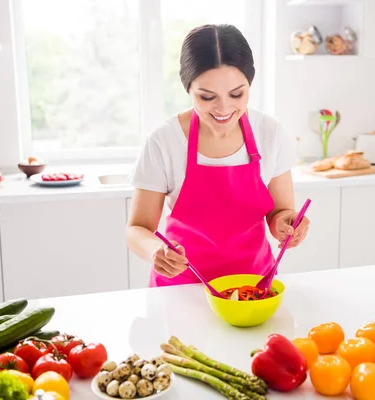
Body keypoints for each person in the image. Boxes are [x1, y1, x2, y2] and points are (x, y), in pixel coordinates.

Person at [126, 24, 310, 287]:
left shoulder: (269, 132)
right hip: (182, 289)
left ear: (250, 84)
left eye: (237, 94)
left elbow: (280, 212)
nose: (224, 108)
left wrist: (288, 224)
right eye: (207, 96)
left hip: (253, 287)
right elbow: (137, 229)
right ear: (188, 89)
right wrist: (156, 251)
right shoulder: (164, 141)